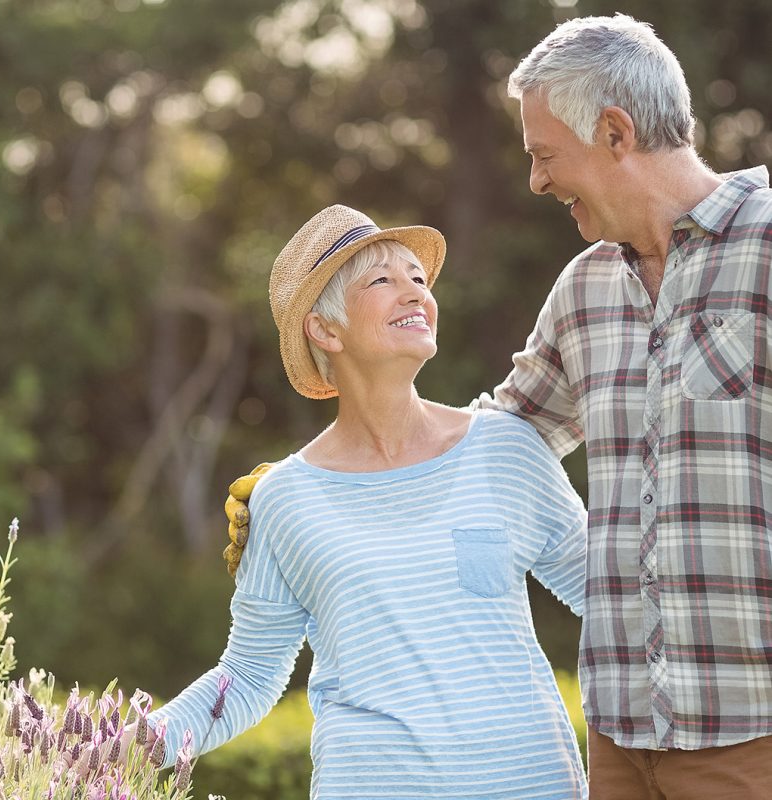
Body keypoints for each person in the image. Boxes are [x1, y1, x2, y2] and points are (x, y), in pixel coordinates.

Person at [226, 13, 772, 800]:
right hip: (619, 739)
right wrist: (322, 487)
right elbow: (501, 432)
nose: (537, 181)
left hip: (748, 729)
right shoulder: (586, 291)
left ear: (616, 133)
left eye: (546, 155)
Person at [149, 204, 590, 799]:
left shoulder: (505, 448)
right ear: (325, 330)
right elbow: (248, 677)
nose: (413, 292)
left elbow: (614, 598)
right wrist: (115, 748)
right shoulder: (283, 498)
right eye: (382, 280)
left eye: (417, 278)